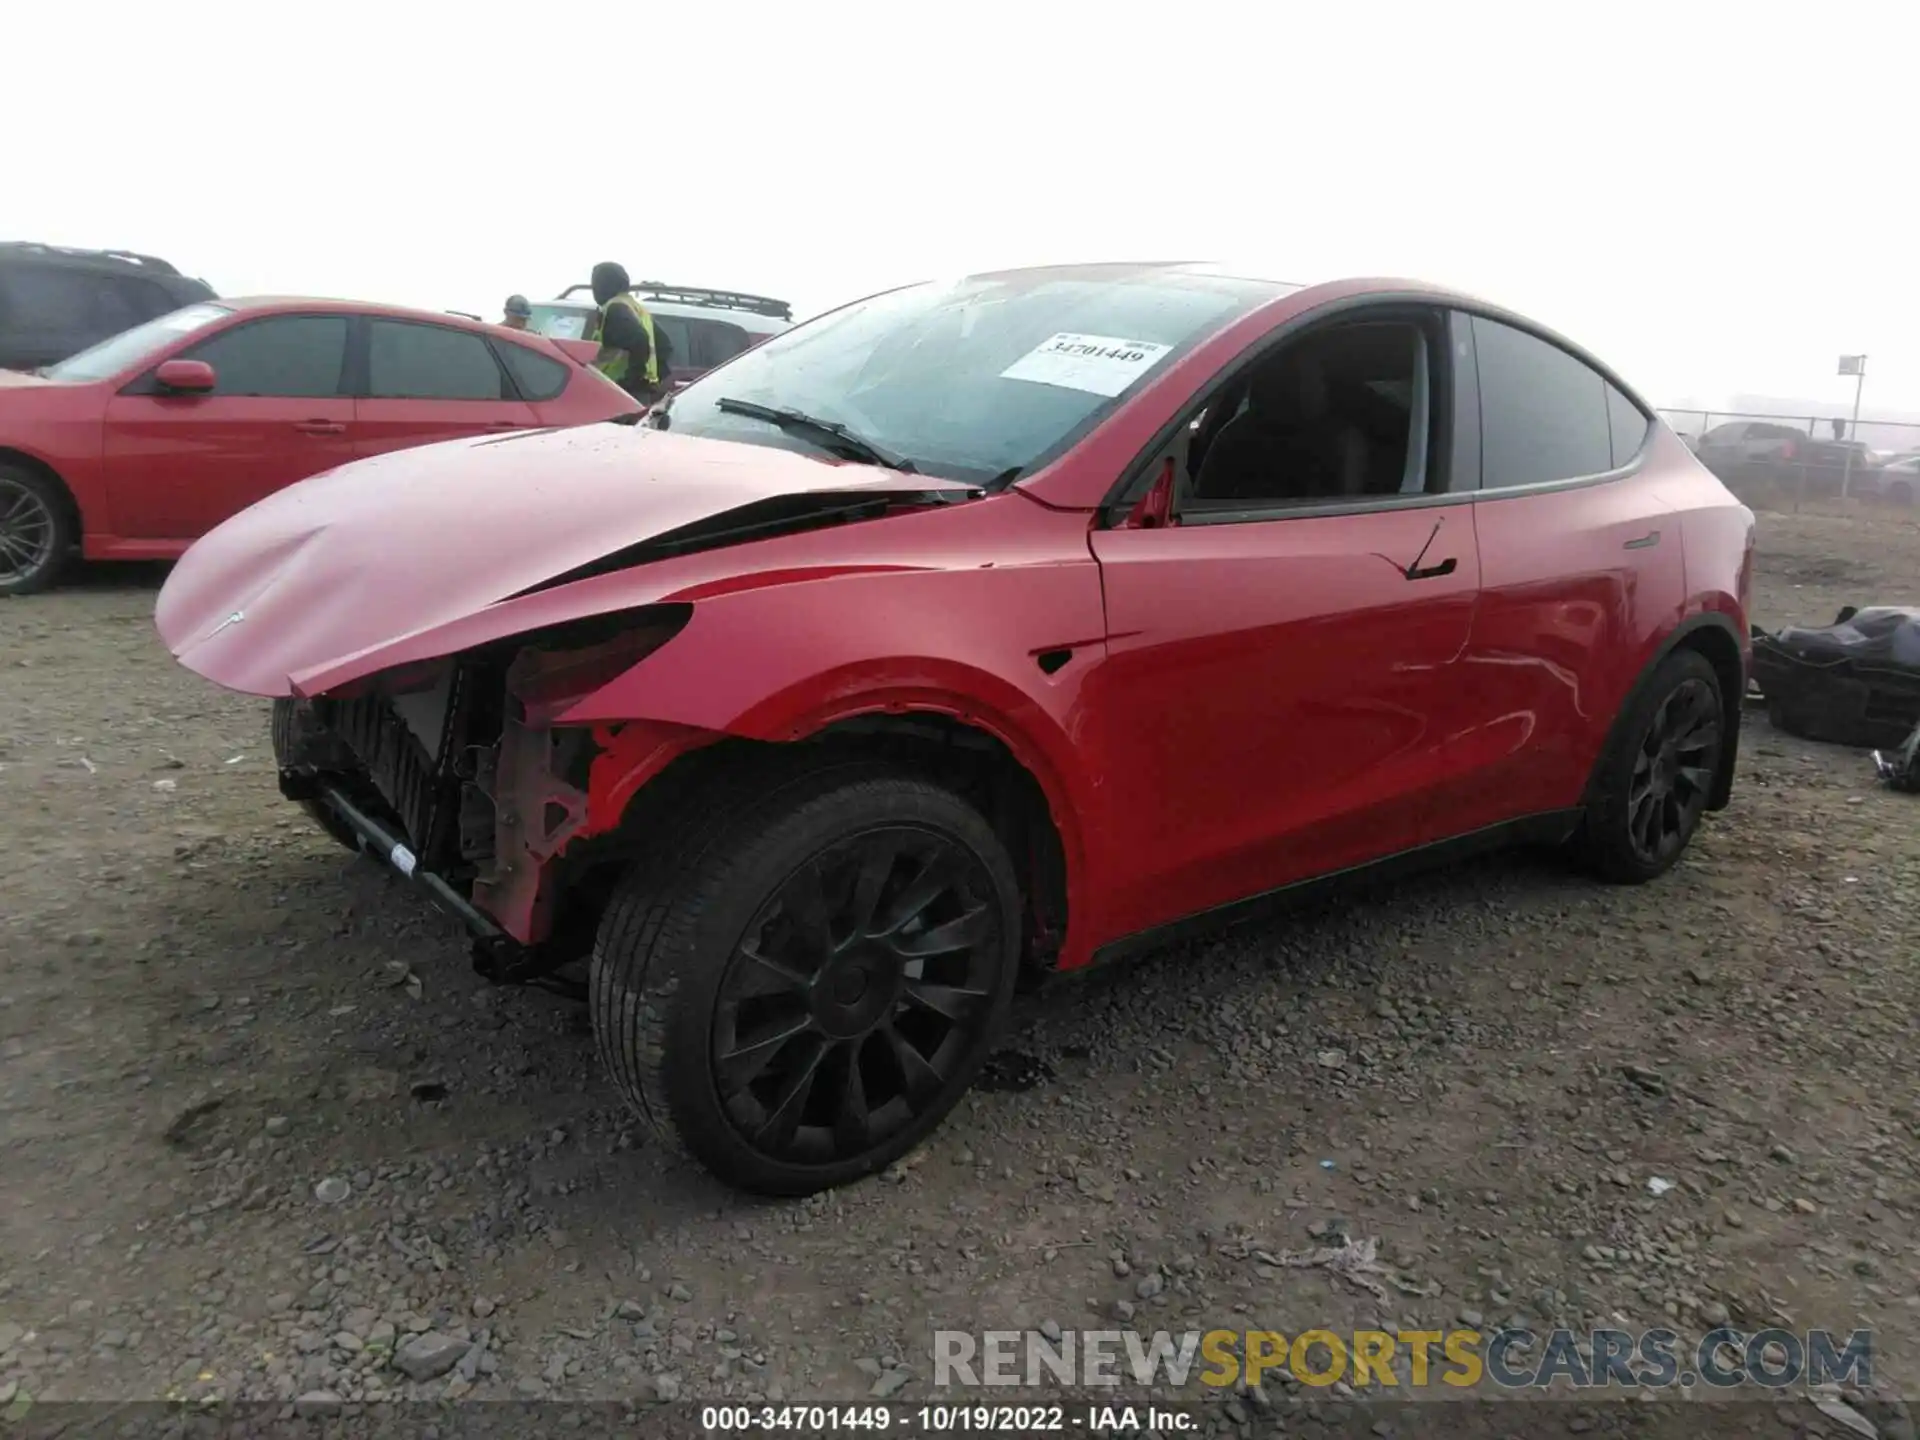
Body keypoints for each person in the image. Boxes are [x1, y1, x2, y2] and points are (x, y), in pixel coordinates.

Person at [588, 262, 668, 404]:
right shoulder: (636, 307)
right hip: (638, 393)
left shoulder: (615, 307)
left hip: (617, 391)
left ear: (606, 285)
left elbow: (640, 339)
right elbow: (664, 345)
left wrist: (631, 379)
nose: (594, 290)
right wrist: (651, 379)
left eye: (595, 284)